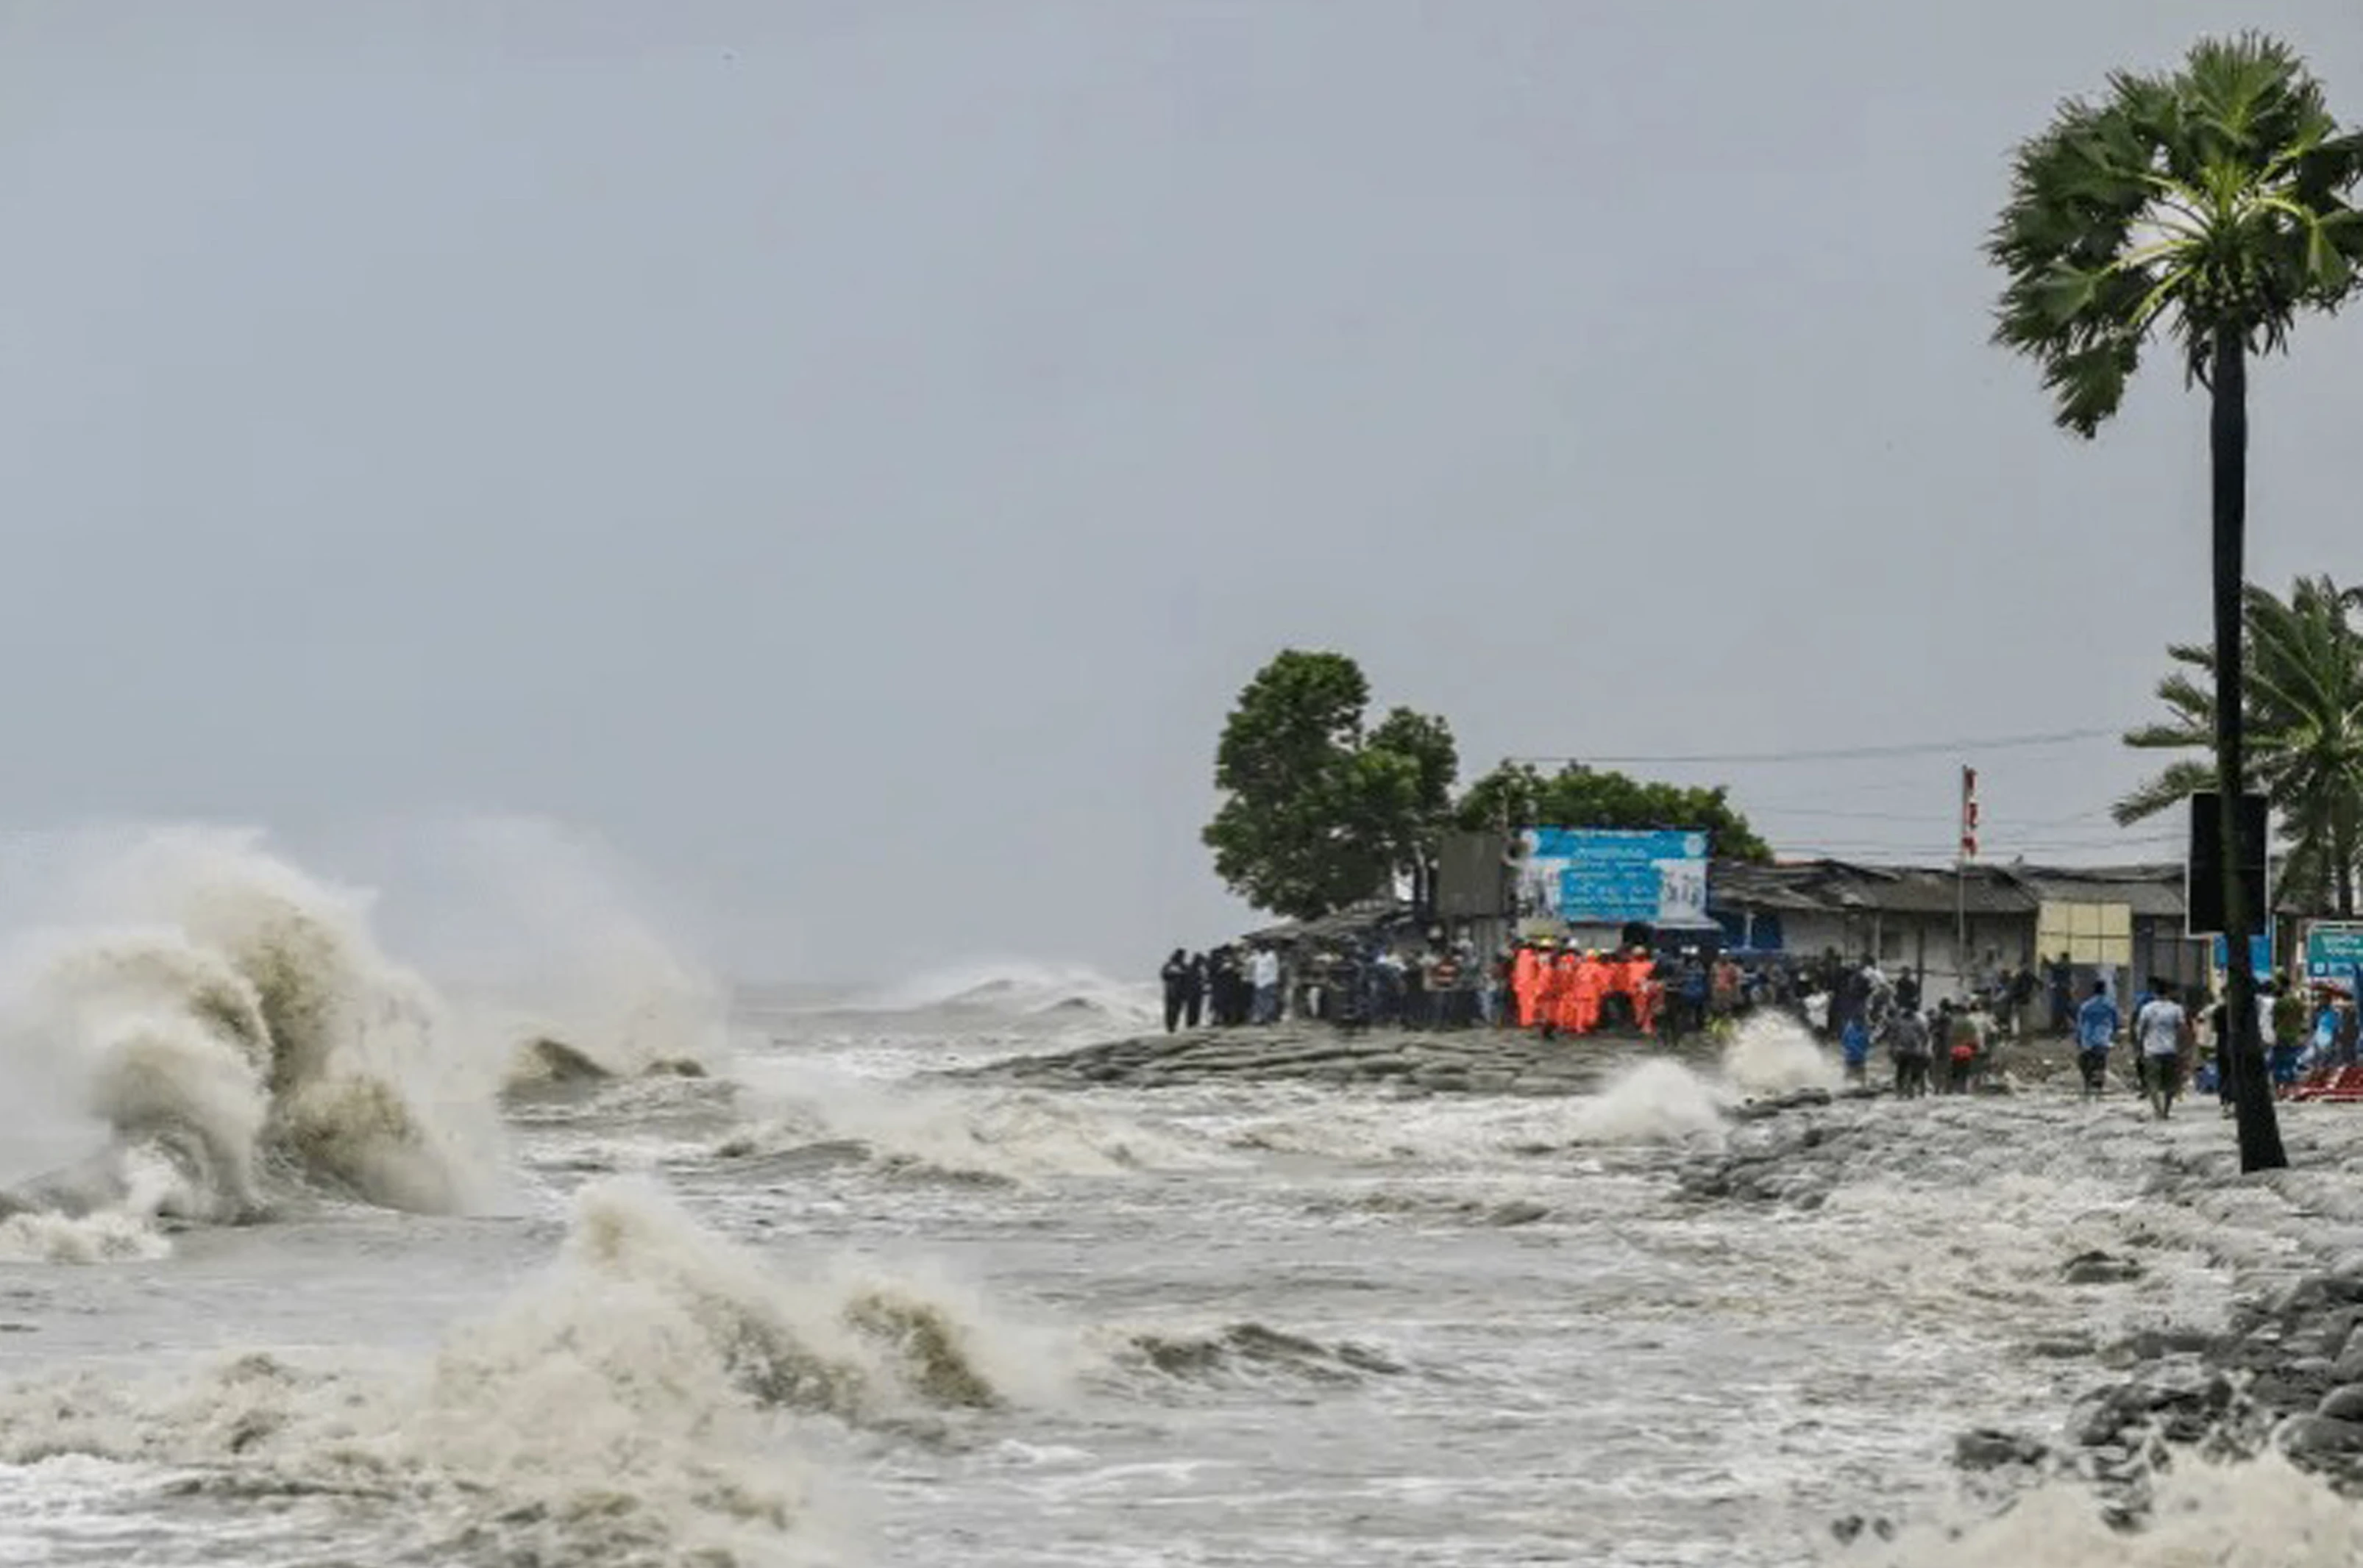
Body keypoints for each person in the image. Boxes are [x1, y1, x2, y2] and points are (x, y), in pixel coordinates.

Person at [2134, 980, 2189, 1120]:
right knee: (2170, 1083)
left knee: (2153, 1082)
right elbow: (2182, 1029)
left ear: (2155, 993)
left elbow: (2141, 1030)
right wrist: (2182, 1048)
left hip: (2151, 1050)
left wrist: (2139, 1046)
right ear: (2169, 993)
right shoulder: (2176, 1009)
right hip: (2170, 1049)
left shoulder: (2147, 1009)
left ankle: (2158, 1110)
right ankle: (2166, 1110)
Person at [2075, 978, 2118, 1100]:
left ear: (2093, 991)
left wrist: (2078, 1039)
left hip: (2087, 1039)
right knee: (2100, 1065)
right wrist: (2114, 1035)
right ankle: (2098, 1090)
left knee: (2086, 1063)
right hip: (2102, 1039)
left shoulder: (2086, 1006)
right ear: (2104, 990)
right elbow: (2115, 1023)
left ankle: (2087, 1087)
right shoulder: (2110, 1005)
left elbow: (2080, 1024)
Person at [1886, 1004, 1932, 1098]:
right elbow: (1925, 1036)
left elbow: (1925, 1035)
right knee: (1903, 1070)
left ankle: (1905, 1089)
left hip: (1909, 1050)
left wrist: (1923, 1046)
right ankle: (1903, 1090)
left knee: (1905, 1070)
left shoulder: (1909, 1021)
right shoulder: (1910, 1021)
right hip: (1906, 1050)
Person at [1249, 944, 1282, 1025]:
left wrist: (1275, 980)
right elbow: (1252, 963)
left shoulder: (1271, 956)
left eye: (1262, 948)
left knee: (1268, 1000)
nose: (1260, 949)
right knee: (1259, 1000)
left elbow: (1275, 969)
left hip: (1269, 981)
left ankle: (1268, 1017)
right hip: (1259, 981)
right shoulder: (1258, 956)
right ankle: (1260, 1017)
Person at [1159, 949, 1191, 1035]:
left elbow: (1188, 979)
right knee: (1171, 1010)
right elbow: (1164, 975)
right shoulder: (1170, 965)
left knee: (1177, 1010)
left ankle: (1173, 1026)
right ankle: (1170, 1027)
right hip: (1172, 992)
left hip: (1180, 993)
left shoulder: (1184, 966)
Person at [1184, 952, 1207, 1030]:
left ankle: (1194, 1024)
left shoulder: (1198, 970)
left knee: (1196, 1009)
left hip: (1197, 992)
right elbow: (1190, 981)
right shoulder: (1191, 969)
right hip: (1192, 992)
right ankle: (1191, 1024)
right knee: (1192, 1009)